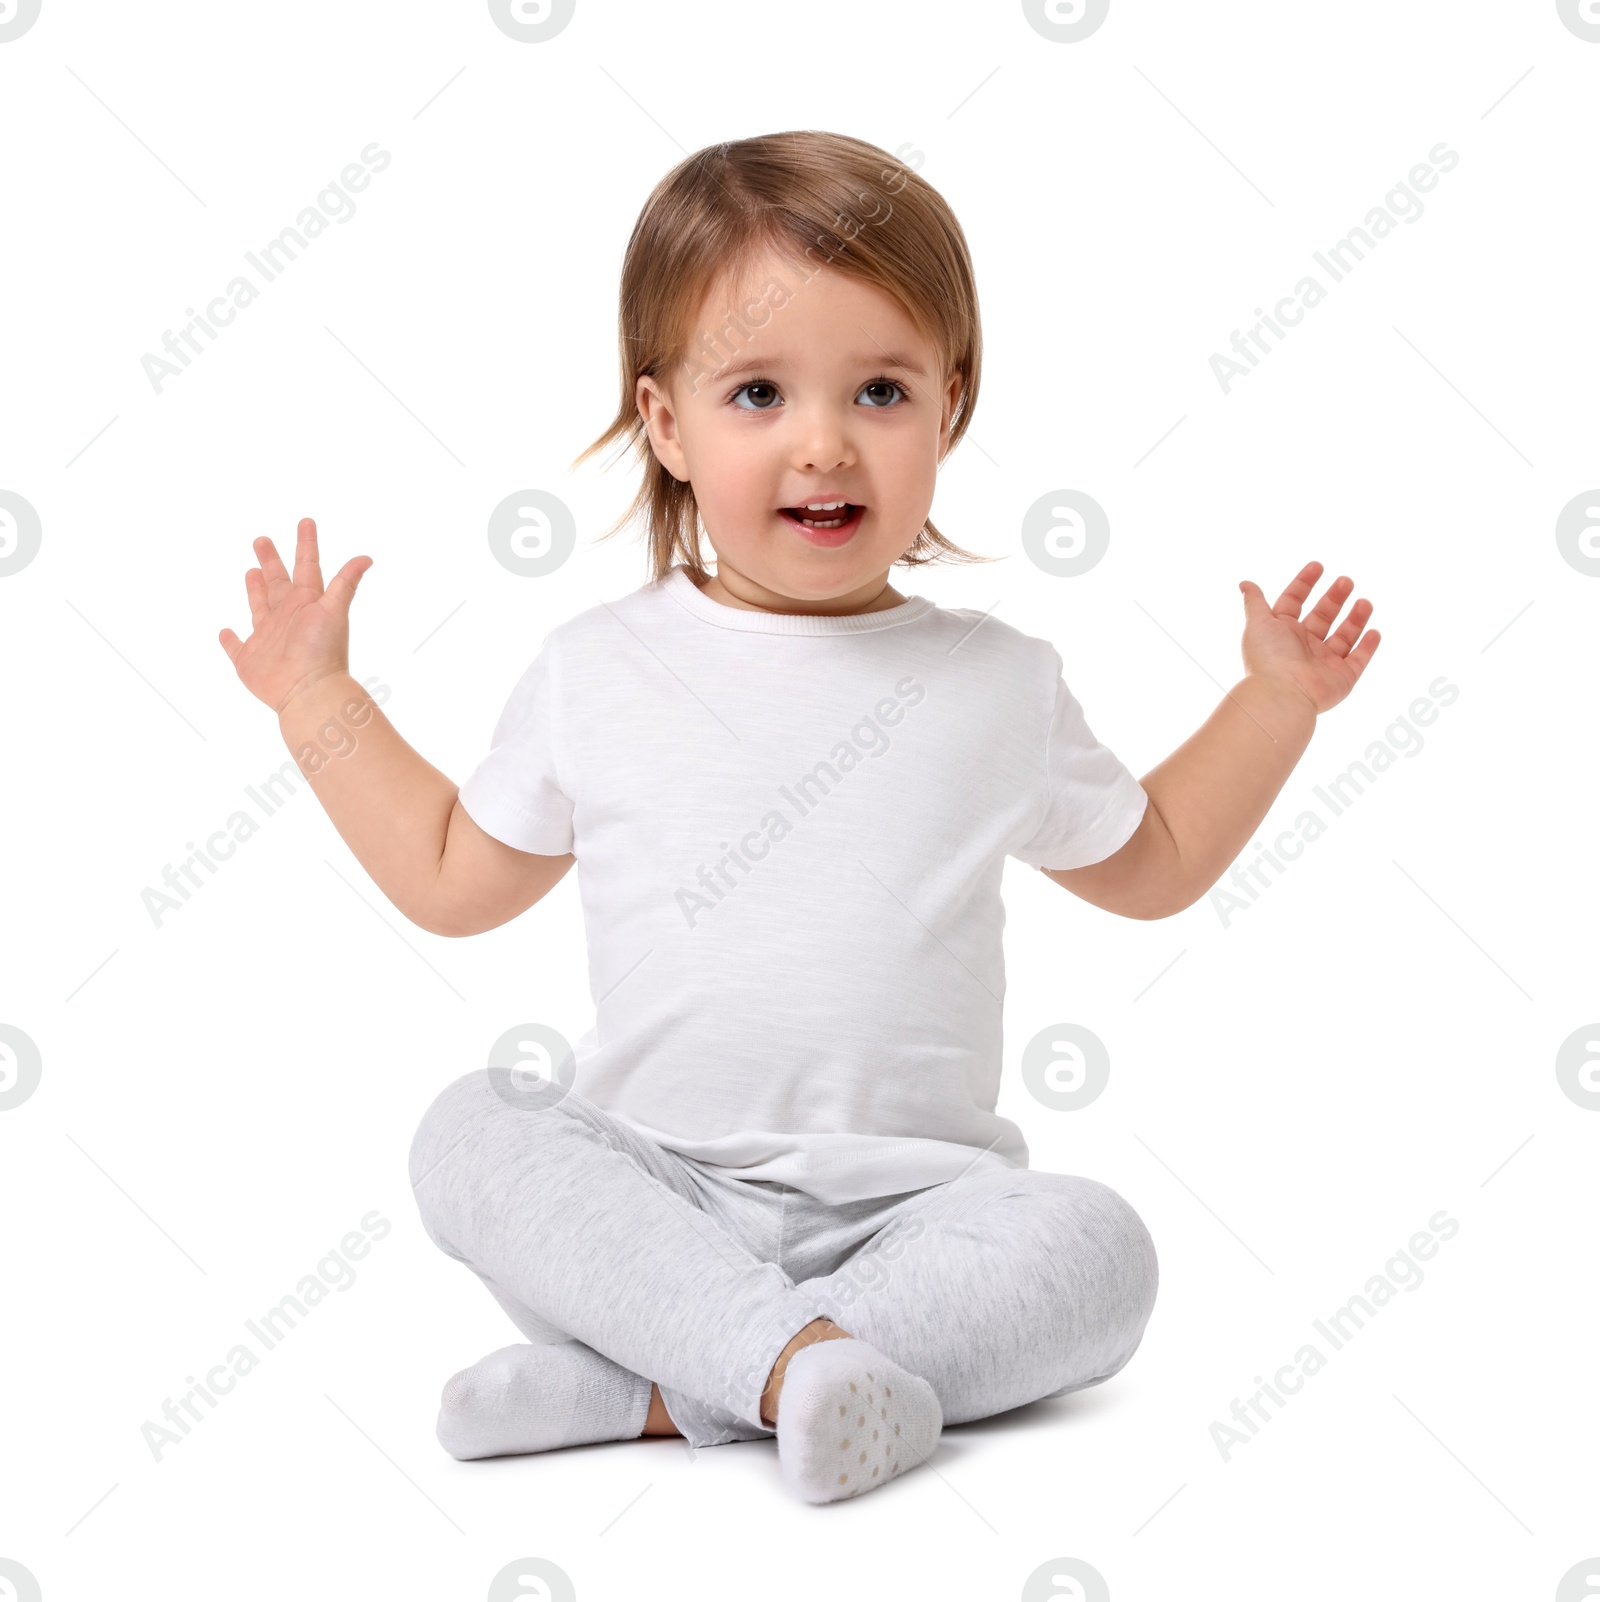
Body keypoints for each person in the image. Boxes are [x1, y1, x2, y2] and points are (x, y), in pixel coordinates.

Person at [218, 130, 1380, 1505]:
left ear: (946, 408)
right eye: (758, 391)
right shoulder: (597, 667)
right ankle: (771, 1364)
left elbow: (1158, 863)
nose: (823, 442)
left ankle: (661, 1389)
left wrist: (1276, 703)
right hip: (654, 1210)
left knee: (1100, 1249)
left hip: (923, 1219)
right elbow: (452, 876)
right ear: (666, 423)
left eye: (878, 390)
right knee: (470, 1125)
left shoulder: (997, 682)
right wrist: (316, 701)